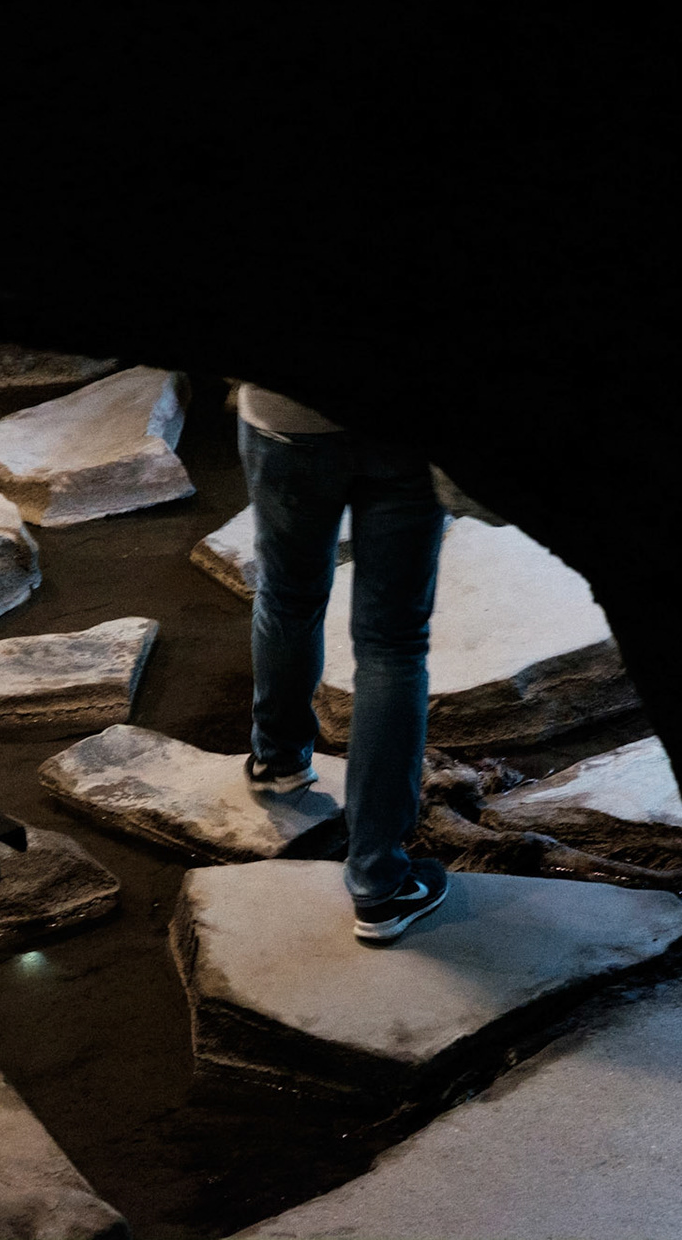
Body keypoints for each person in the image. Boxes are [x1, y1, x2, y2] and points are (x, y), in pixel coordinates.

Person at [237, 382, 451, 943]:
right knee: (393, 643)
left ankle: (279, 761)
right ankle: (379, 882)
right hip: (404, 432)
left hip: (286, 420)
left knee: (288, 597)